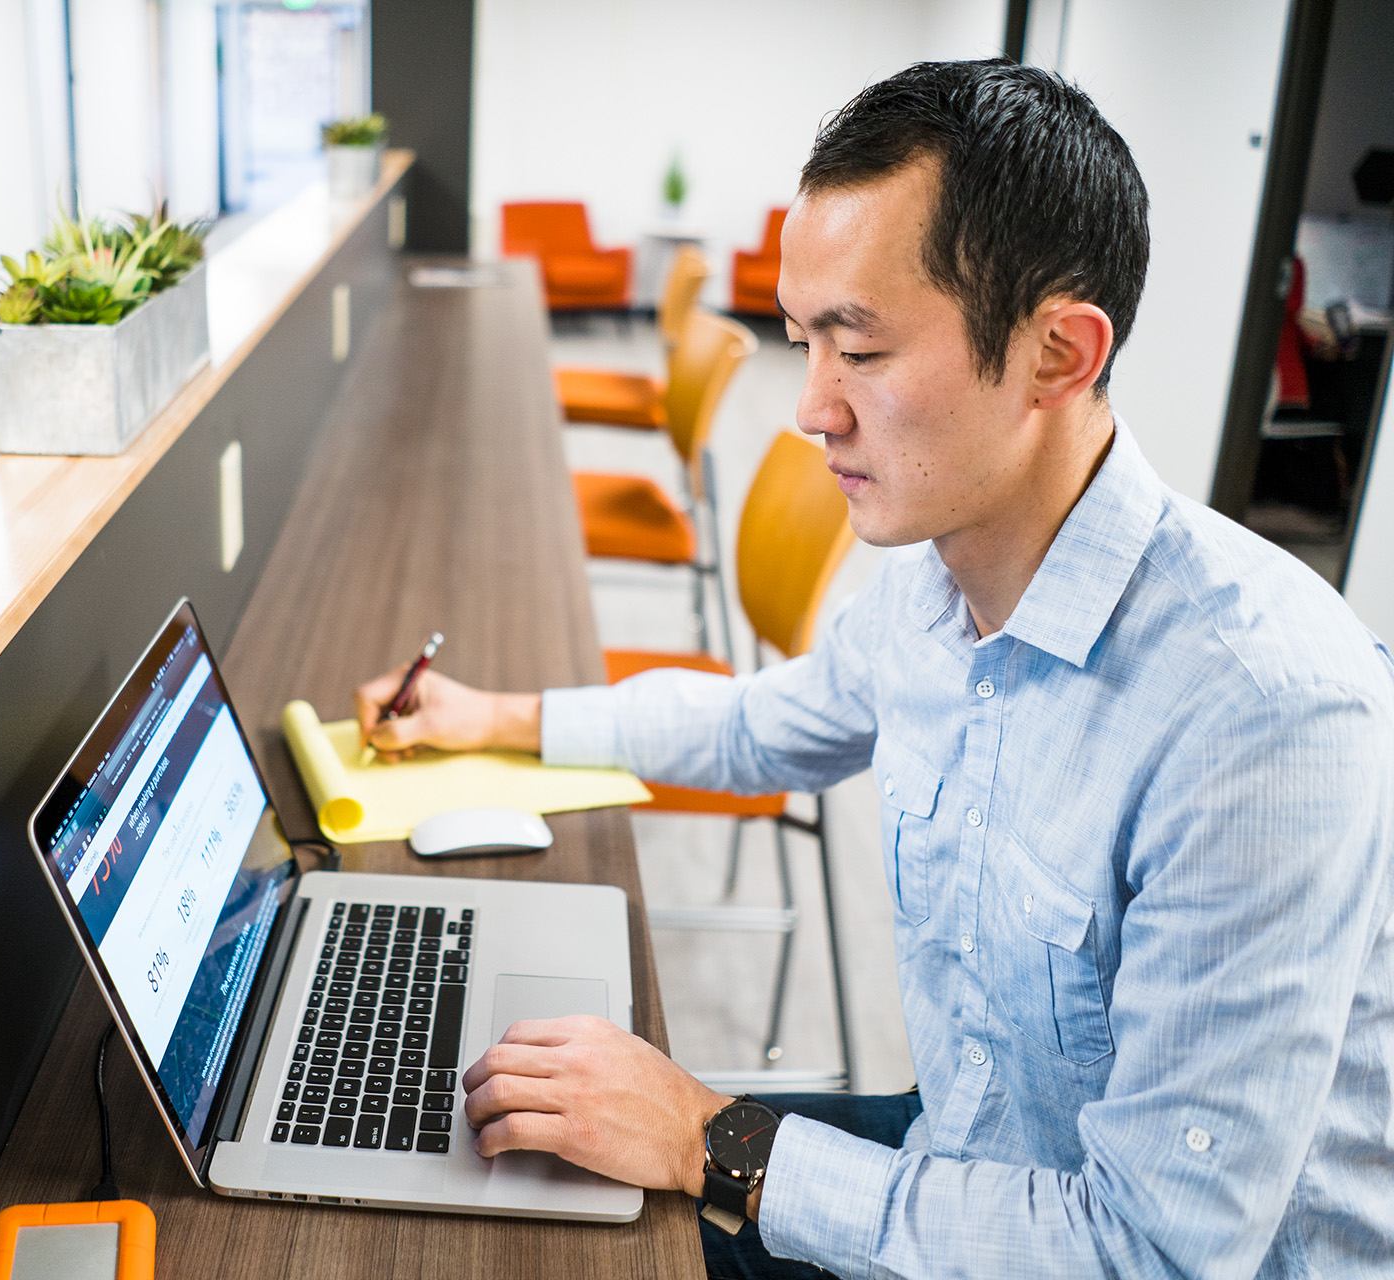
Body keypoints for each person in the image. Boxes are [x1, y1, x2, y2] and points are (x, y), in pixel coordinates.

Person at [355, 60, 1394, 1278]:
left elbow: (1149, 1253)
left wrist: (709, 1136)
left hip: (1096, 1242)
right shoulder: (931, 570)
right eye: (803, 342)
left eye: (859, 348)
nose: (809, 409)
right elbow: (760, 726)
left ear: (1059, 353)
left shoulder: (1263, 714)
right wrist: (497, 715)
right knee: (504, 1186)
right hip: (973, 1157)